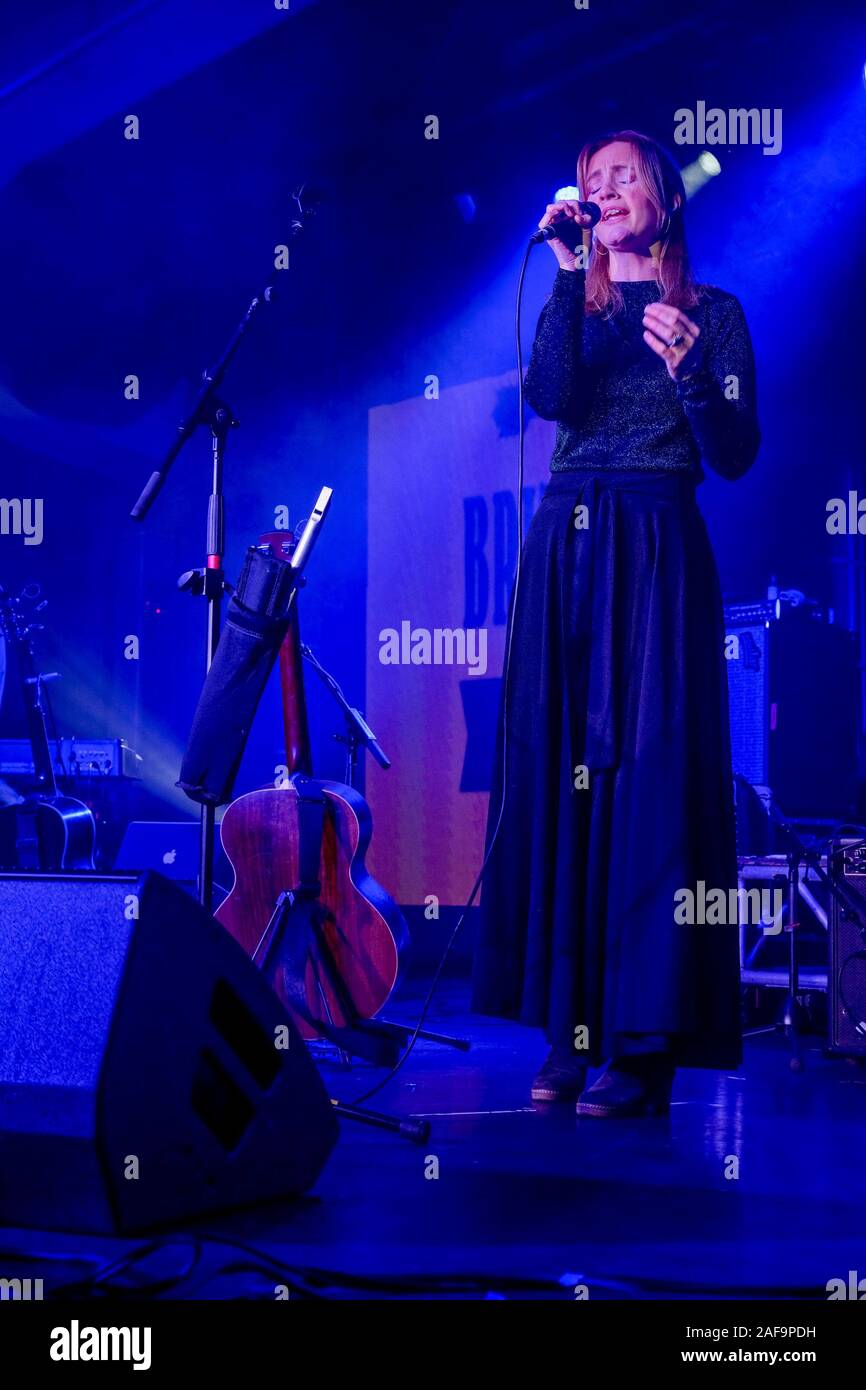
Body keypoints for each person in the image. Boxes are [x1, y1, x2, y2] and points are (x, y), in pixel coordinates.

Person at [471, 130, 760, 1117]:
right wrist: (563, 271)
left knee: (649, 785)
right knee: (563, 774)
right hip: (568, 538)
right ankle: (571, 1025)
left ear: (665, 198)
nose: (603, 188)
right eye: (590, 177)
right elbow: (548, 396)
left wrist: (688, 376)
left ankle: (643, 1039)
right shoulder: (578, 304)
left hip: (654, 537)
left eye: (622, 174)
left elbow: (733, 453)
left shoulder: (710, 314)